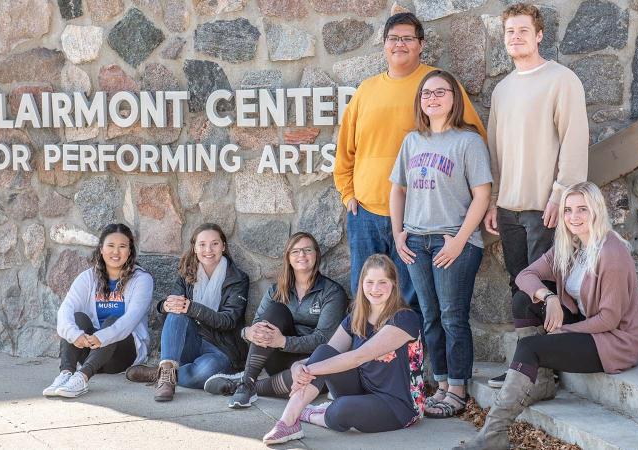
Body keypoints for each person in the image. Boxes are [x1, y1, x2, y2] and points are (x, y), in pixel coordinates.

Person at [456, 182, 638, 450]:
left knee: (530, 347)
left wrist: (563, 332)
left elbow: (609, 320)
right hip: (585, 323)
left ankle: (493, 434)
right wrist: (550, 297)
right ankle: (542, 381)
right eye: (568, 210)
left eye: (582, 209)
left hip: (613, 340)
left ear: (597, 211)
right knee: (525, 299)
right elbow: (524, 275)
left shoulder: (611, 252)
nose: (573, 217)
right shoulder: (571, 246)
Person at [334, 12, 486, 324]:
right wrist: (347, 193)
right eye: (393, 38)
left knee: (411, 298)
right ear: (384, 45)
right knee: (365, 295)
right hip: (363, 213)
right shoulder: (366, 90)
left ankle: (408, 364)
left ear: (420, 45)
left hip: (418, 218)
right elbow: (345, 149)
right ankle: (364, 360)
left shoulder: (438, 86)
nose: (399, 44)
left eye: (407, 38)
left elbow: (474, 140)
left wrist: (488, 200)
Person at [483, 2, 589, 388]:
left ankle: (544, 368)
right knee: (520, 291)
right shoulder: (502, 90)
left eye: (523, 30)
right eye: (510, 31)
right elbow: (495, 149)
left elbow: (574, 142)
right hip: (509, 209)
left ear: (539, 35)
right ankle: (525, 369)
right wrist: (494, 199)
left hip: (546, 207)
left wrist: (561, 195)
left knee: (547, 290)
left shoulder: (561, 80)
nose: (516, 37)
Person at [390, 70, 492, 418]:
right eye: (426, 94)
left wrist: (460, 241)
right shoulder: (412, 141)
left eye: (440, 92)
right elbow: (397, 189)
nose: (432, 98)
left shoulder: (468, 141)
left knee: (452, 316)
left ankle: (459, 388)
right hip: (416, 241)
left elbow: (482, 195)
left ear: (454, 98)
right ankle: (442, 383)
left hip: (454, 241)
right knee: (430, 316)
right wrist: (398, 232)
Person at [262, 254, 426, 445]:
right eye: (370, 282)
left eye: (383, 282)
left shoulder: (404, 318)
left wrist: (309, 371)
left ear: (394, 284)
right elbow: (329, 352)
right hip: (362, 388)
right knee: (324, 351)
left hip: (397, 405)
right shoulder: (356, 317)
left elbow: (358, 357)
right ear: (362, 283)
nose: (375, 289)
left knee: (341, 409)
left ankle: (311, 414)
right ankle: (288, 422)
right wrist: (298, 366)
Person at [203, 232, 348, 408]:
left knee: (306, 382)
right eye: (295, 251)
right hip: (279, 358)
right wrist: (247, 332)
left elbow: (324, 340)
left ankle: (242, 385)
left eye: (307, 250)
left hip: (312, 361)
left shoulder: (332, 292)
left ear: (316, 254)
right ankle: (247, 381)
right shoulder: (276, 290)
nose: (301, 255)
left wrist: (283, 341)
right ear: (288, 257)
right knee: (276, 311)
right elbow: (257, 326)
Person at [125, 223, 249, 402]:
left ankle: (162, 373)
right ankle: (167, 373)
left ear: (223, 246)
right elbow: (172, 307)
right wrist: (164, 306)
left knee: (204, 373)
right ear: (195, 247)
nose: (208, 249)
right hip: (191, 340)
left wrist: (191, 308)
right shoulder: (187, 274)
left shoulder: (238, 279)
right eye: (202, 244)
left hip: (220, 348)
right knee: (176, 311)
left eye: (214, 243)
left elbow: (228, 320)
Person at [43, 223, 154, 398]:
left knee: (113, 320)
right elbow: (66, 309)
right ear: (101, 249)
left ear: (130, 251)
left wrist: (101, 337)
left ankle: (82, 377)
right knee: (77, 317)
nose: (116, 252)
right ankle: (66, 374)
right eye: (110, 246)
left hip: (122, 355)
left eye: (122, 247)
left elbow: (130, 320)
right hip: (91, 350)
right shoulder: (88, 277)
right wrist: (74, 334)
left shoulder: (142, 279)